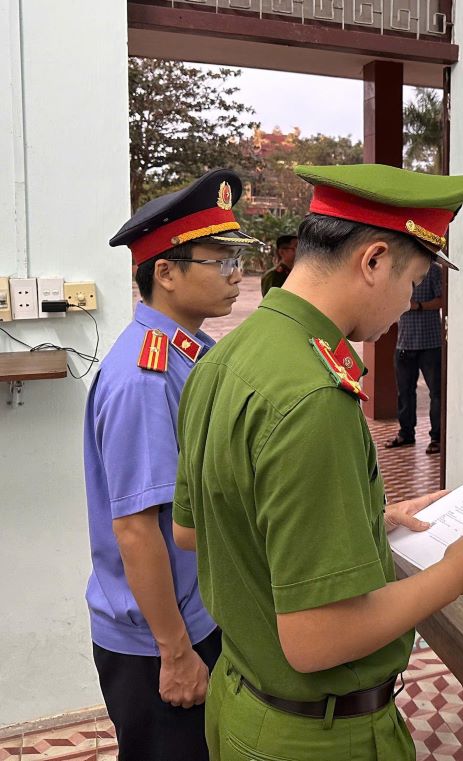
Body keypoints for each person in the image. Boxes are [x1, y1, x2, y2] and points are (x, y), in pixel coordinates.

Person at [172, 163, 463, 760]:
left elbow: (193, 528)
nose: (407, 302)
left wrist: (363, 518)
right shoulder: (312, 395)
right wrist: (454, 576)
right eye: (413, 282)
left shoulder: (228, 356)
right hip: (314, 736)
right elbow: (317, 640)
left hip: (243, 700)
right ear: (374, 260)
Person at [84, 169, 259, 760]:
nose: (236, 275)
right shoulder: (143, 377)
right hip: (158, 639)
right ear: (166, 272)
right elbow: (136, 528)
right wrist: (176, 652)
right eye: (220, 260)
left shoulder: (193, 351)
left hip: (195, 618)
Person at [385, 261, 444, 454]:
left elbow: (442, 300)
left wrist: (417, 305)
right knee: (404, 393)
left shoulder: (434, 270)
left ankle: (437, 438)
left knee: (436, 393)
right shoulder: (399, 269)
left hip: (431, 343)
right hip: (404, 343)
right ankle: (406, 434)